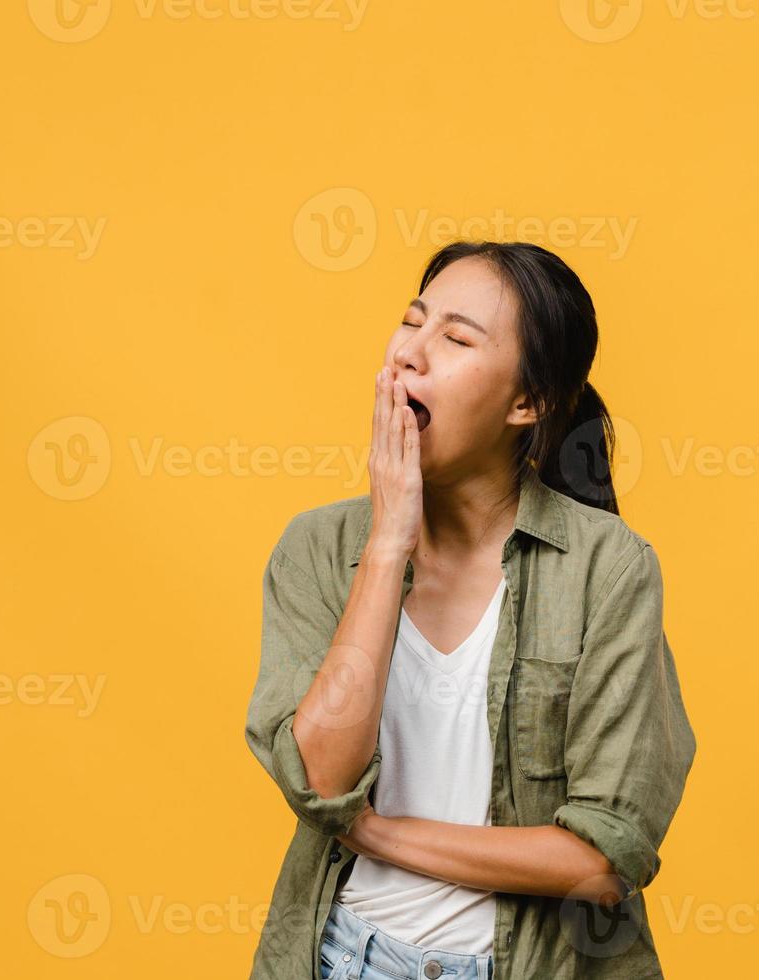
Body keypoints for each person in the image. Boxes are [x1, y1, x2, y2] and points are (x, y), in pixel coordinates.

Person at [244, 241, 696, 979]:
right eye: (410, 322)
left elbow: (601, 858)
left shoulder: (606, 568)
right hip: (339, 958)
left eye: (455, 339)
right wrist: (390, 540)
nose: (409, 355)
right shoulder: (319, 548)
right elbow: (321, 780)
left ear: (529, 402)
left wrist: (377, 833)